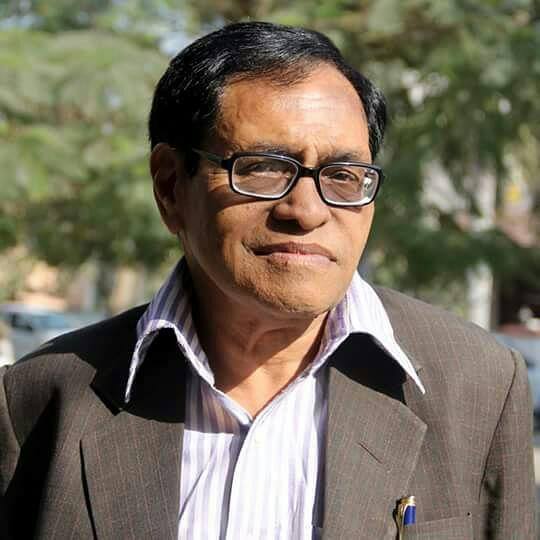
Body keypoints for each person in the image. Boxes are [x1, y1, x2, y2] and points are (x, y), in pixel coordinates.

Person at [0, 21, 535, 540]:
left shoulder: (477, 386)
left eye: (343, 176)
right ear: (170, 186)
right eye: (263, 167)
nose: (306, 210)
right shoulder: (40, 399)